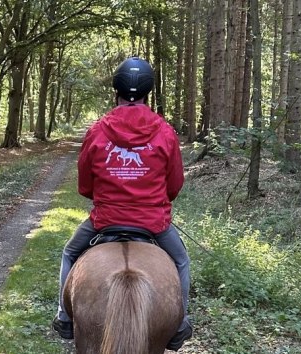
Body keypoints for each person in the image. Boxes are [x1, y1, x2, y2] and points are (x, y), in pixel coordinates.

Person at [51, 57, 193, 351]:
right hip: (154, 223)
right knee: (180, 260)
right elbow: (175, 185)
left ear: (115, 91)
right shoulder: (165, 132)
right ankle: (179, 324)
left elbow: (84, 186)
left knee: (69, 253)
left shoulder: (98, 130)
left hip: (105, 220)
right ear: (147, 93)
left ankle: (65, 316)